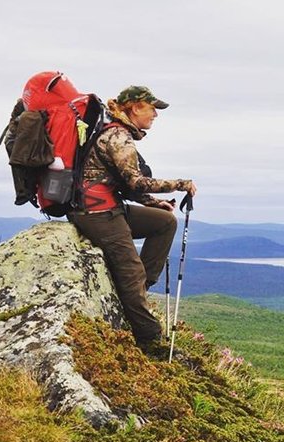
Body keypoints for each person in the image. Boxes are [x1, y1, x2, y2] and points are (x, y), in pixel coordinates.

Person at [68, 85, 197, 350]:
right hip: (96, 212)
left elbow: (124, 185)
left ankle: (138, 290)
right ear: (136, 107)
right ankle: (149, 339)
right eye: (152, 109)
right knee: (130, 270)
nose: (155, 115)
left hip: (107, 206)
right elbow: (136, 182)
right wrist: (180, 183)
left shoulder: (115, 132)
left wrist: (154, 203)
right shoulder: (117, 135)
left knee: (164, 222)